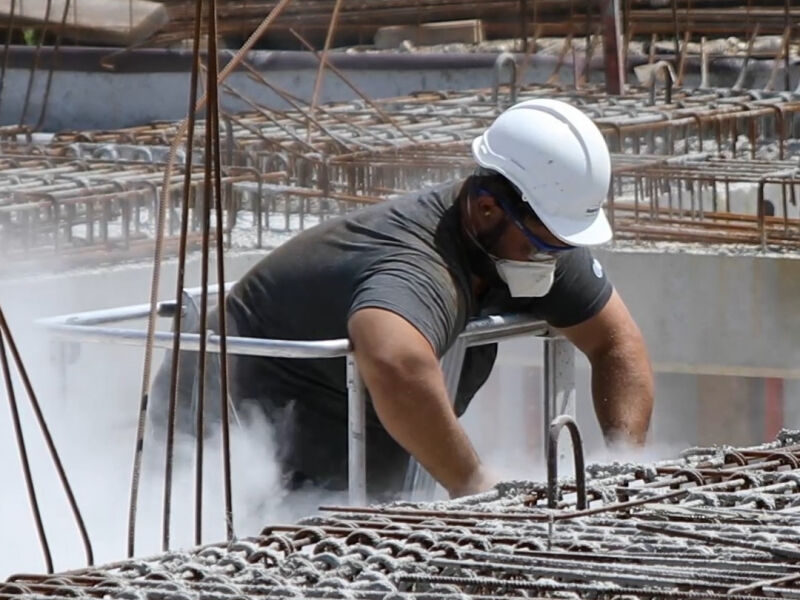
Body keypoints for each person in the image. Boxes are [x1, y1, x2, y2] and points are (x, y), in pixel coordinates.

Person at [156, 98, 654, 501]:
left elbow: (617, 345)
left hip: (333, 481)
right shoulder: (418, 261)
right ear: (485, 208)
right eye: (543, 245)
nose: (552, 260)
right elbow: (395, 363)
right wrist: (474, 482)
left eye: (563, 247)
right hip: (214, 463)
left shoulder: (523, 239)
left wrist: (622, 467)